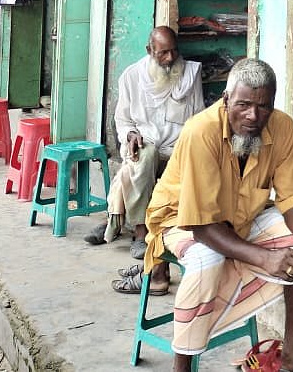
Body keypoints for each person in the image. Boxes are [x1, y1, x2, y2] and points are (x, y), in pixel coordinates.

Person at [137, 58, 293, 372]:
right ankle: (182, 366)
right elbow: (200, 226)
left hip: (240, 217)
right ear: (225, 100)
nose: (253, 116)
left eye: (263, 106)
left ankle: (291, 352)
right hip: (180, 220)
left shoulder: (281, 127)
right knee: (206, 259)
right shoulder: (201, 131)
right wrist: (264, 258)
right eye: (243, 105)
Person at [88, 28, 206, 290]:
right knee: (144, 157)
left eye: (174, 50)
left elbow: (198, 117)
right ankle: (141, 233)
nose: (170, 57)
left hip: (178, 145)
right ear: (150, 51)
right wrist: (130, 135)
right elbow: (123, 120)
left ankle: (152, 252)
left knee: (191, 170)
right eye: (163, 52)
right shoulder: (131, 76)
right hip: (147, 143)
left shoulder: (190, 73)